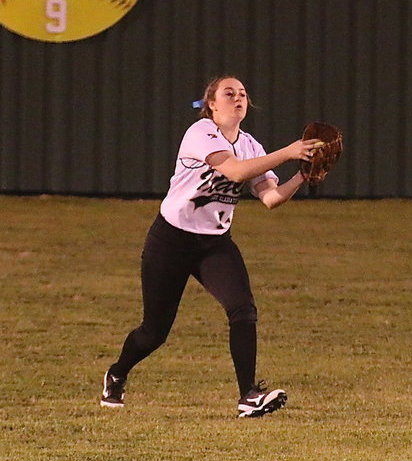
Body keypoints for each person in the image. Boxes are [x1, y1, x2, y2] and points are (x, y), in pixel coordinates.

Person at [101, 75, 319, 418]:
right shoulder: (200, 132)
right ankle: (117, 373)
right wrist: (289, 153)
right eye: (228, 93)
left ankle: (248, 396)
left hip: (214, 243)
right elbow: (234, 173)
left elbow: (271, 199)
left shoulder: (251, 146)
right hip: (170, 240)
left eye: (243, 93)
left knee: (243, 309)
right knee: (155, 331)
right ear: (212, 105)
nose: (238, 98)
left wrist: (302, 177)